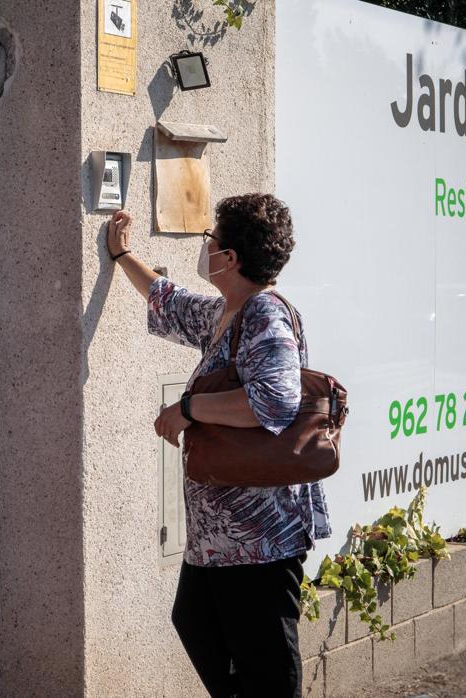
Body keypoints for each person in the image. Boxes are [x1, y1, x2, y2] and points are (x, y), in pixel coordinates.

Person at [107, 194, 331, 697]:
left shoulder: (265, 318)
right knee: (196, 622)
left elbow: (272, 403)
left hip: (261, 539)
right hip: (220, 540)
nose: (205, 245)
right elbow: (169, 300)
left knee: (266, 669)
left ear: (229, 258)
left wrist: (187, 410)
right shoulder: (227, 315)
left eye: (212, 238)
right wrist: (123, 256)